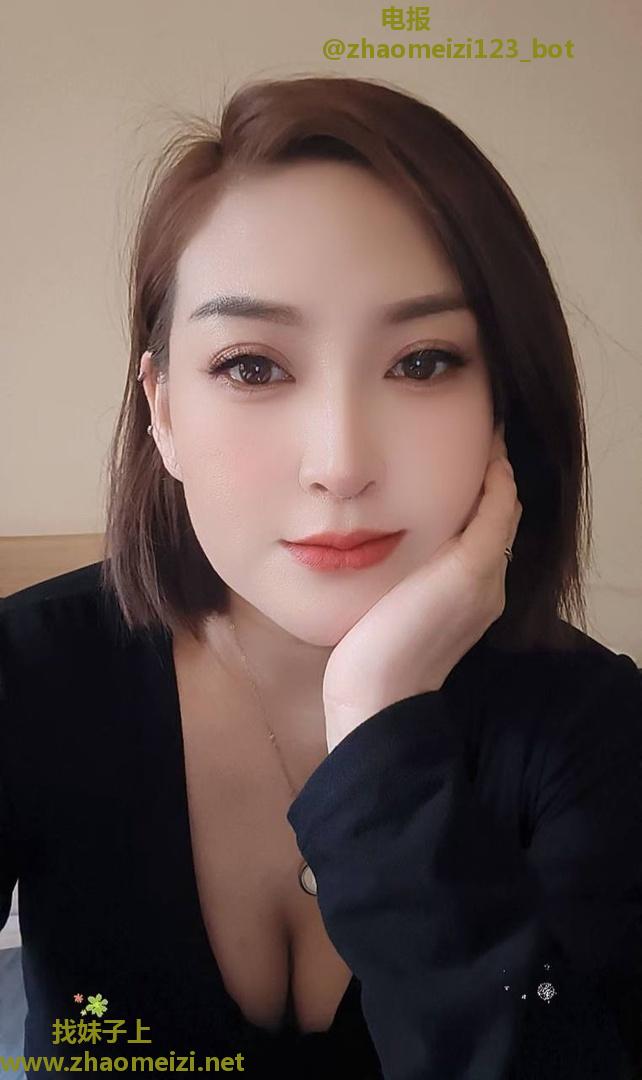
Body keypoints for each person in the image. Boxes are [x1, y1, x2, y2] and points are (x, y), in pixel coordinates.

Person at [1, 74, 641, 1080]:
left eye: (422, 363)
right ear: (163, 411)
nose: (340, 464)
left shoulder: (595, 731)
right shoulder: (26, 676)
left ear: (504, 407)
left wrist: (380, 720)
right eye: (252, 366)